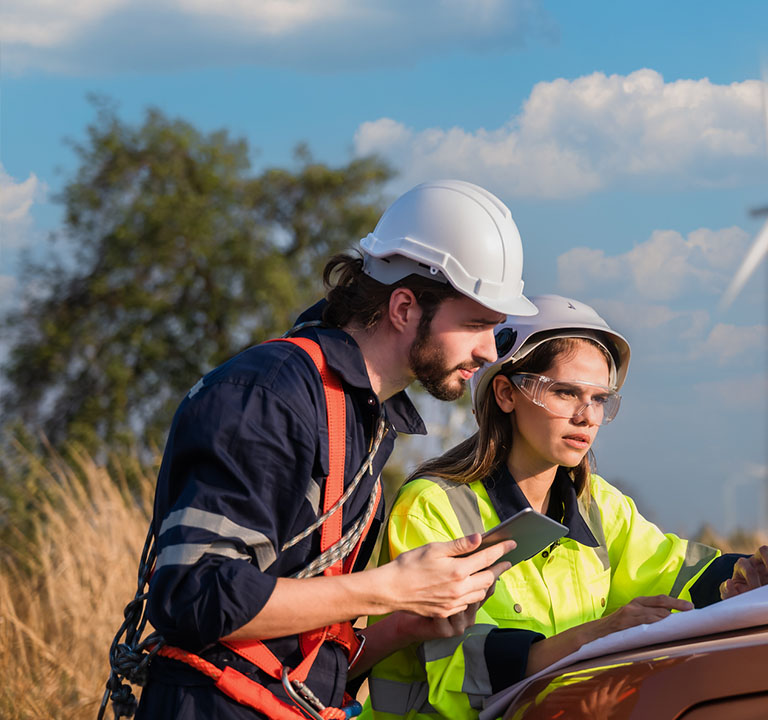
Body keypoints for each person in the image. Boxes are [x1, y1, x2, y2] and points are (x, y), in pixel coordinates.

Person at [104, 180, 538, 720]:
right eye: (475, 324)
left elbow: (293, 645)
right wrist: (389, 588)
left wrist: (404, 618)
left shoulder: (366, 418)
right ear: (404, 306)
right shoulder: (267, 394)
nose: (486, 351)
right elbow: (195, 595)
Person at [365, 295, 768, 719]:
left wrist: (743, 579)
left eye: (600, 399)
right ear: (505, 394)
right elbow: (454, 672)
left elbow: (675, 570)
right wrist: (598, 634)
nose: (587, 416)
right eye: (566, 393)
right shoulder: (431, 507)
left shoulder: (599, 506)